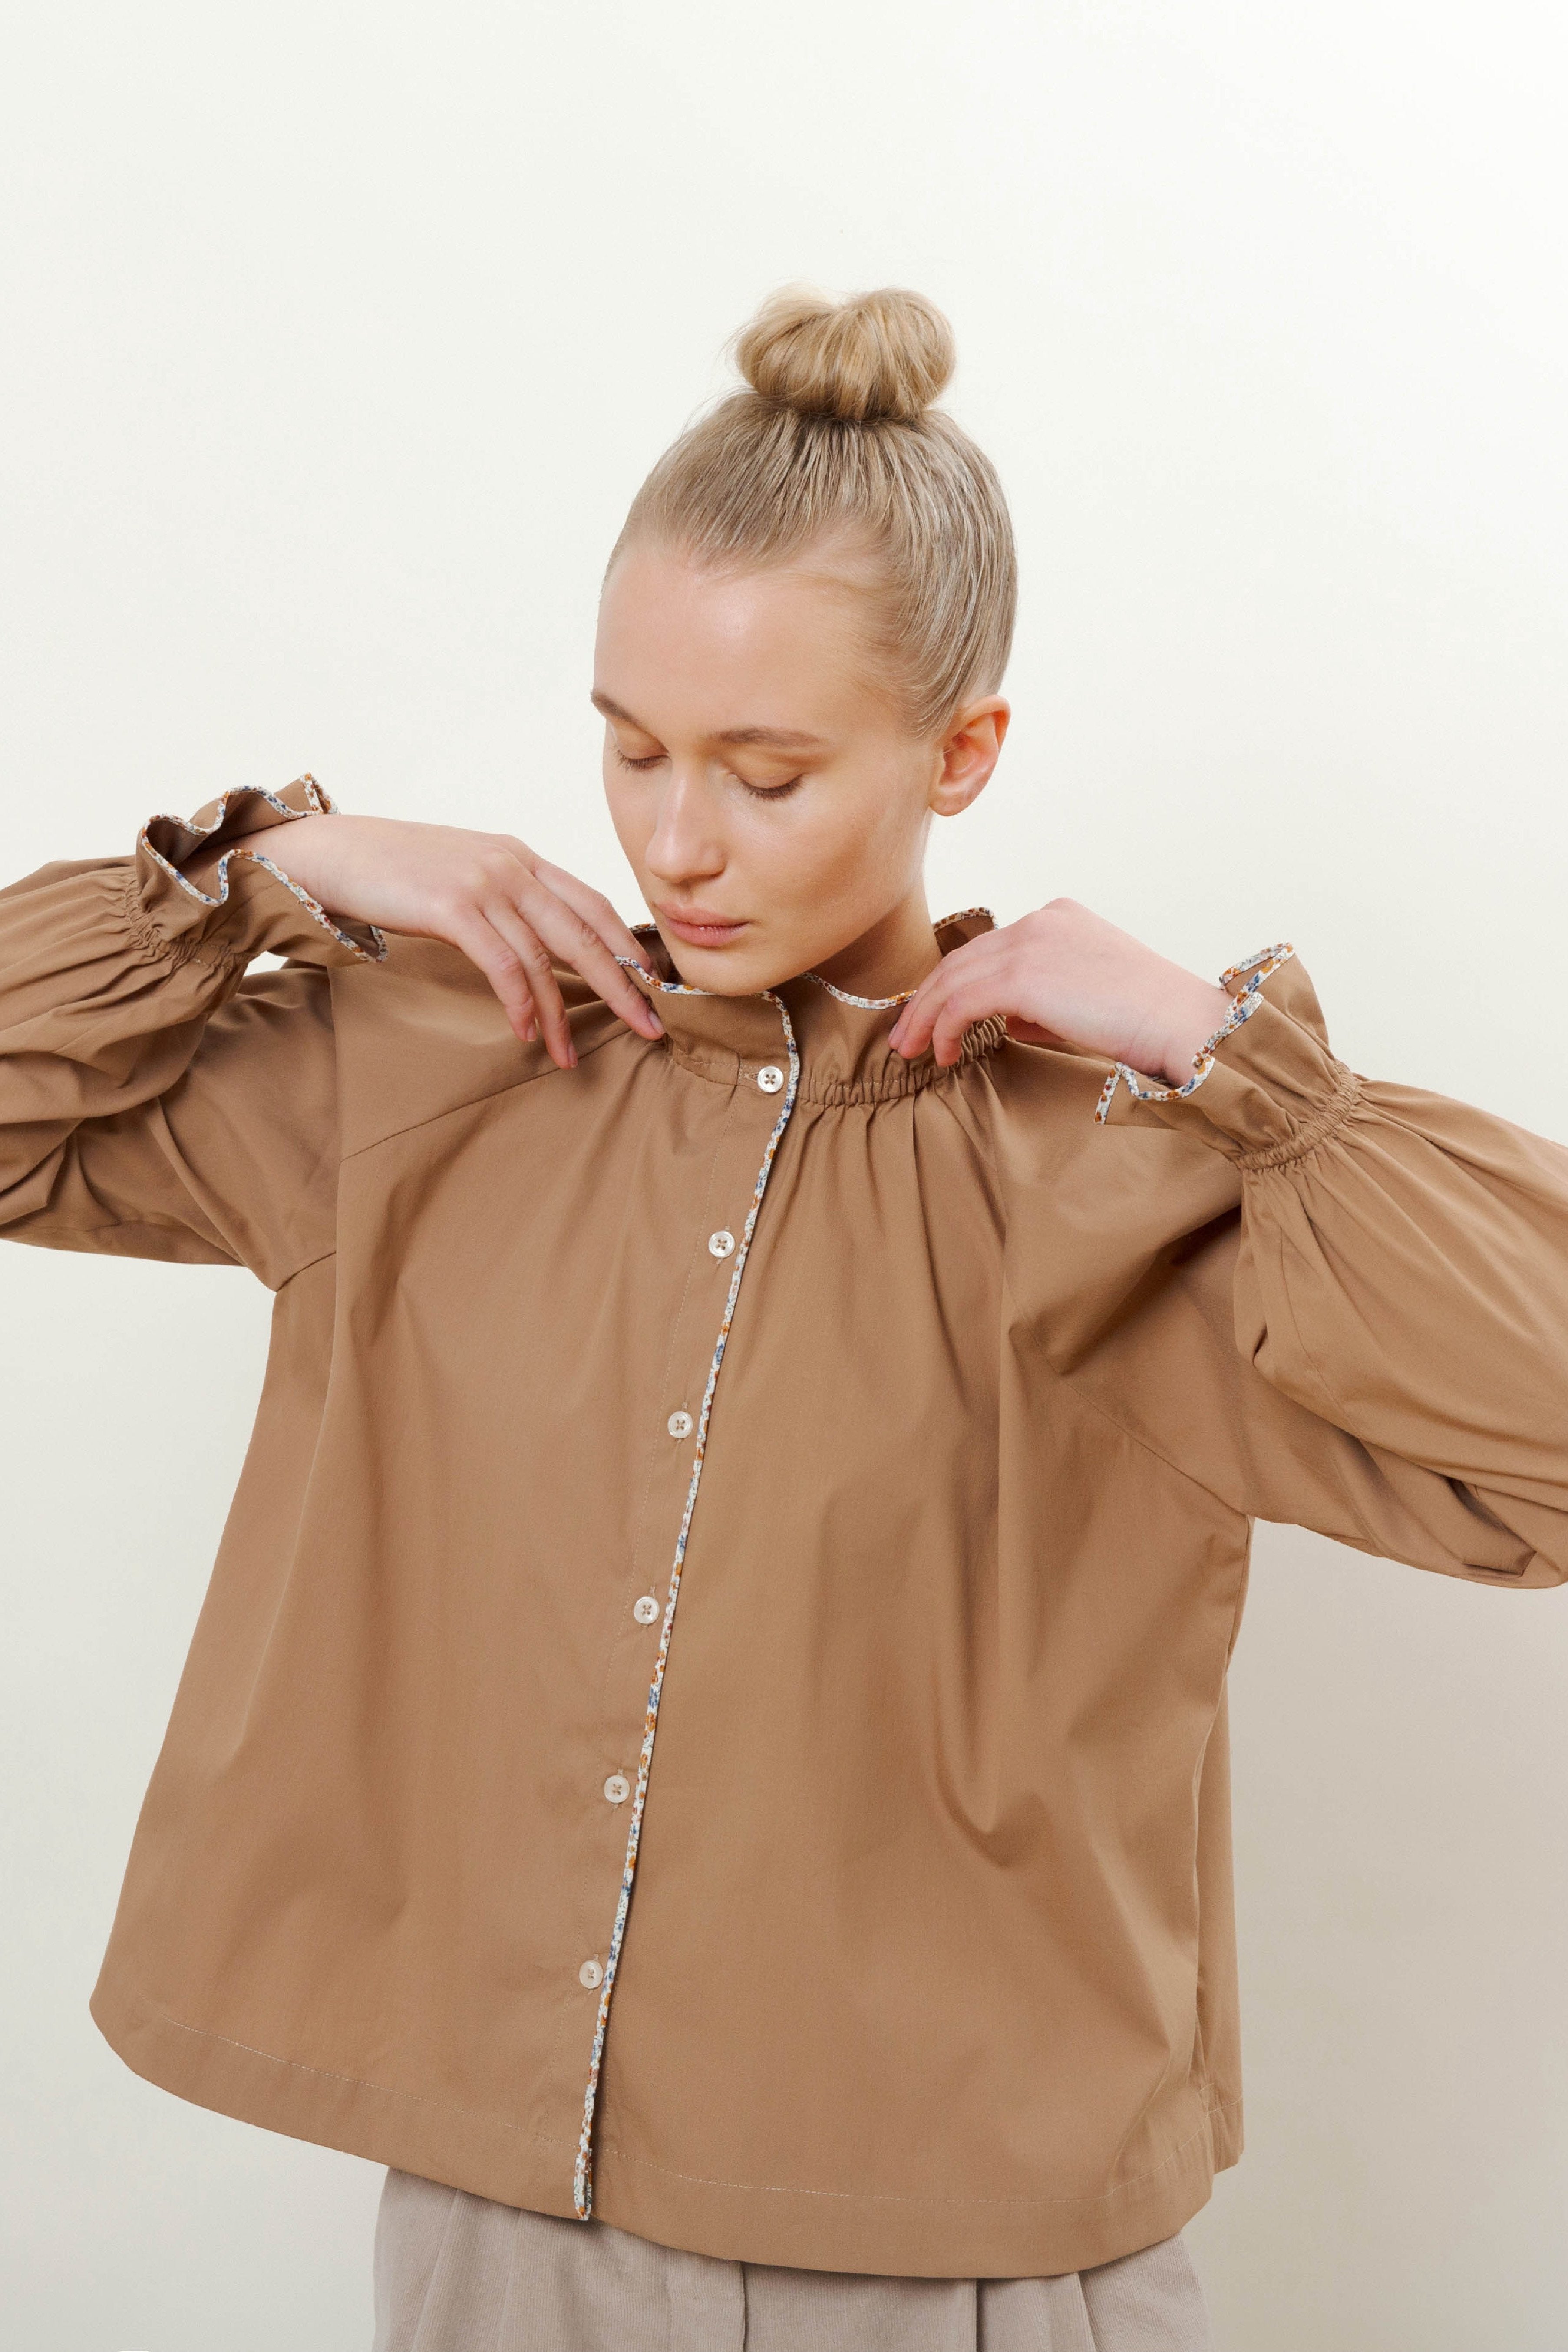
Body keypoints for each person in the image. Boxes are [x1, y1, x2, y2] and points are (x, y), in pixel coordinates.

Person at [3, 285, 1565, 2352]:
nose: (674, 837)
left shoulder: (1118, 1163)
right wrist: (276, 864)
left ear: (963, 750)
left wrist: (1221, 1053)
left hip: (974, 2257)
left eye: (767, 770)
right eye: (631, 749)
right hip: (506, 2236)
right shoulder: (432, 1066)